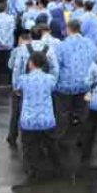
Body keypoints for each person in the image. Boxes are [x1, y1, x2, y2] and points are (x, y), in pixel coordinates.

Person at [54, 19, 97, 178]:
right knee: (83, 113)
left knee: (63, 112)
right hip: (85, 85)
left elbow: (56, 64)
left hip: (65, 86)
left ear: (68, 29)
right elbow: (95, 59)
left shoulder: (62, 45)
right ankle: (81, 139)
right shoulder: (90, 44)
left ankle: (61, 140)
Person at [16, 51, 59, 182]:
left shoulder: (23, 79)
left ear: (31, 63)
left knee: (28, 146)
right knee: (50, 143)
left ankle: (31, 169)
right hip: (46, 119)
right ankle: (54, 167)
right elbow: (54, 81)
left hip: (28, 120)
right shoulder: (50, 79)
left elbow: (16, 87)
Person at [0, 1, 15, 86]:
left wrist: (0, 40)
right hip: (9, 43)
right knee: (9, 61)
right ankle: (9, 80)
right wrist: (6, 40)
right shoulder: (11, 18)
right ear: (5, 8)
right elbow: (11, 30)